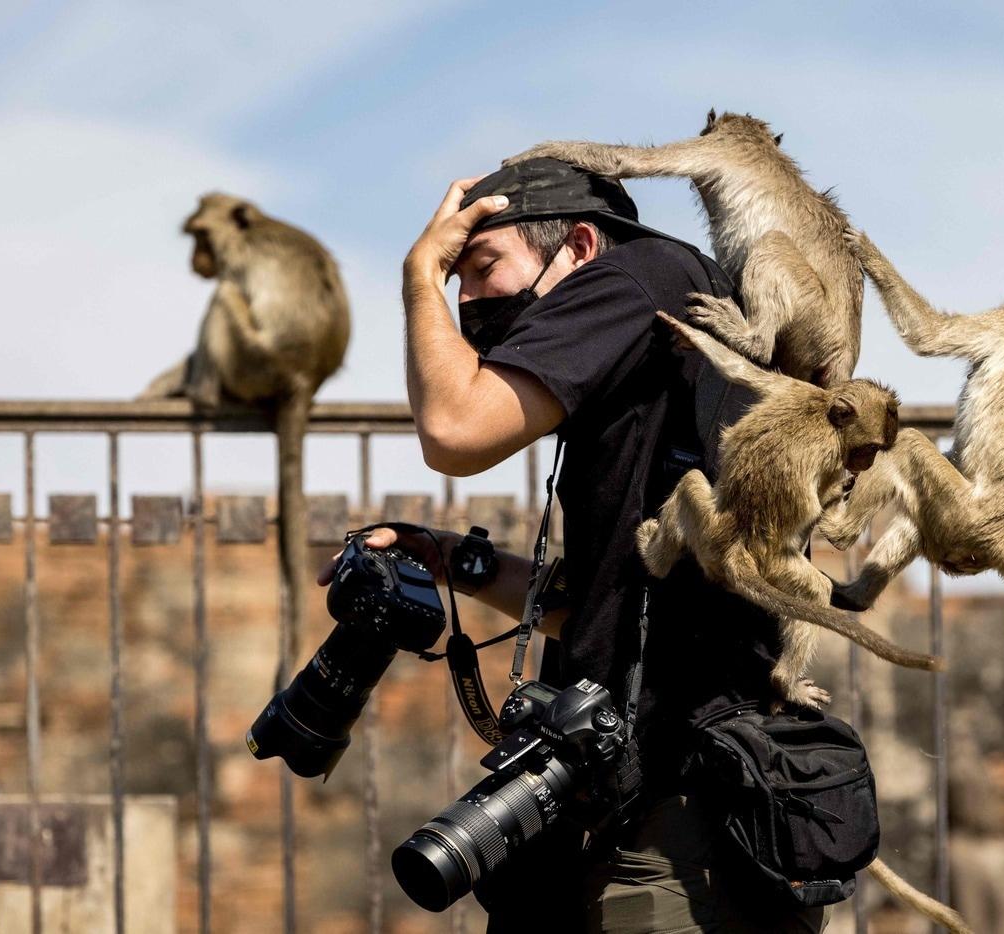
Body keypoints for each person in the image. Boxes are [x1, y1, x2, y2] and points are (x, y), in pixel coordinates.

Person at [318, 158, 828, 933]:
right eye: (452, 279)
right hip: (642, 785)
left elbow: (454, 430)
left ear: (580, 248)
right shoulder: (654, 339)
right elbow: (607, 605)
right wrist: (453, 558)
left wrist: (418, 275)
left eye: (480, 266)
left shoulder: (633, 277)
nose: (464, 298)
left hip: (680, 796)